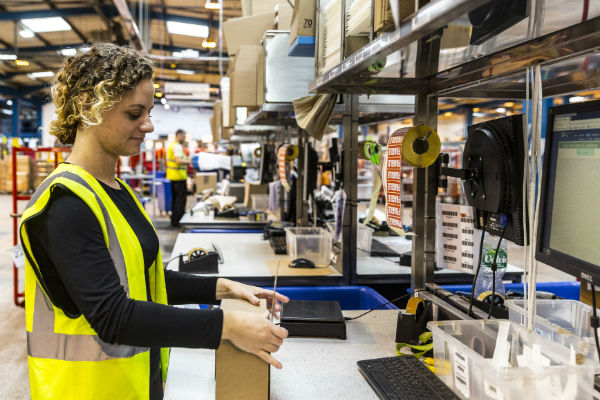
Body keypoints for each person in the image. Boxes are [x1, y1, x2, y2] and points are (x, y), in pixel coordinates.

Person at [19, 43, 288, 400]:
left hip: (132, 384)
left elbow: (142, 281)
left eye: (148, 111)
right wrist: (226, 326)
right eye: (134, 114)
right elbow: (113, 316)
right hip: (85, 391)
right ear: (88, 107)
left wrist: (221, 287)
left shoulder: (116, 190)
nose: (148, 125)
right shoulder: (65, 204)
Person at [166, 128, 189, 227]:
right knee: (180, 200)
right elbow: (178, 161)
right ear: (178, 135)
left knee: (175, 200)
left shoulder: (171, 145)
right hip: (179, 177)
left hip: (173, 176)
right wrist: (190, 162)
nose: (184, 138)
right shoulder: (177, 147)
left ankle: (174, 221)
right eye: (183, 136)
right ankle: (178, 221)